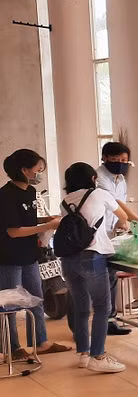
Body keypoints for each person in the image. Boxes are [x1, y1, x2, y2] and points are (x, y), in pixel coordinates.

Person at [0, 149, 71, 358]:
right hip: (9, 258)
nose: (39, 174)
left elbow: (27, 222)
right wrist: (46, 226)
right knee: (10, 302)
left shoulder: (31, 192)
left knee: (36, 298)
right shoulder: (5, 196)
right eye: (37, 170)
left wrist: (46, 221)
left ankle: (41, 341)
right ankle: (12, 347)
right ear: (24, 170)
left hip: (30, 255)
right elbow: (13, 231)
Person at [59, 162, 129, 373]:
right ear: (92, 178)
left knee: (81, 308)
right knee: (101, 307)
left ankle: (83, 353)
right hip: (92, 256)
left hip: (69, 260)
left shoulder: (65, 201)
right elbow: (123, 217)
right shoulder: (98, 194)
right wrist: (119, 227)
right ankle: (98, 355)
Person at [95, 141, 138, 336]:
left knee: (110, 278)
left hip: (111, 235)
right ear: (104, 158)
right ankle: (106, 321)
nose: (120, 163)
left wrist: (123, 223)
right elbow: (117, 204)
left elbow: (120, 209)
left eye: (124, 160)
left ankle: (110, 320)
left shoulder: (121, 179)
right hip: (98, 236)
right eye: (115, 159)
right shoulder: (100, 177)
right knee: (104, 280)